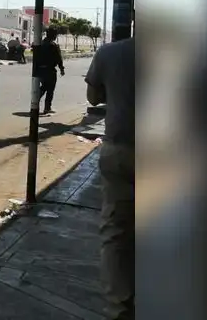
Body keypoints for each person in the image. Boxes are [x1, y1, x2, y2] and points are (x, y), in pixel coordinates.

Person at [85, 31, 134, 319]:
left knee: (116, 234)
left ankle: (120, 309)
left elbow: (93, 96)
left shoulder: (109, 53)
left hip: (120, 151)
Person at [34, 26, 65, 113]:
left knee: (44, 87)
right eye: (55, 34)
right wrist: (61, 69)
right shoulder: (53, 45)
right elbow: (59, 58)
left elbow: (35, 57)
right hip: (50, 71)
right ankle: (47, 108)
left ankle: (35, 101)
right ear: (53, 35)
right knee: (50, 89)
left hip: (40, 70)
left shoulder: (40, 44)